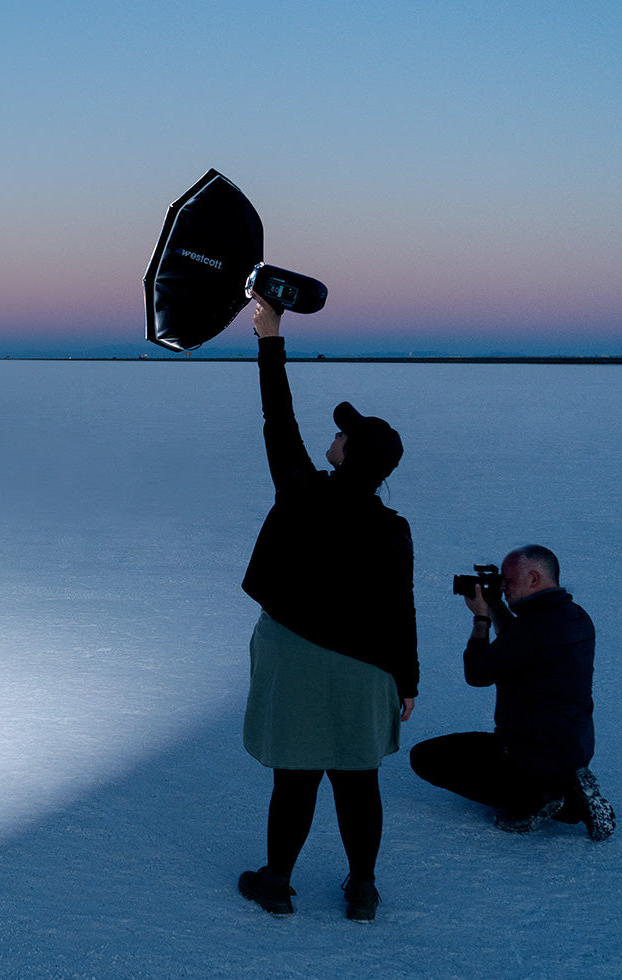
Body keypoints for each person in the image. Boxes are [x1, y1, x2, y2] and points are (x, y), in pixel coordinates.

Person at [234, 296, 418, 923]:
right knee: (358, 781)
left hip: (298, 655)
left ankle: (277, 884)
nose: (332, 435)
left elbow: (276, 415)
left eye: (342, 434)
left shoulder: (302, 491)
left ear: (351, 455)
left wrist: (270, 338)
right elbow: (401, 607)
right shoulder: (393, 528)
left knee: (296, 777)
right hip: (368, 668)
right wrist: (407, 679)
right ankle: (362, 889)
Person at [409, 545, 615, 840]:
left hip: (528, 755)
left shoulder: (529, 631)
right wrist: (495, 605)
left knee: (426, 758)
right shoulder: (576, 616)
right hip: (574, 748)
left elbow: (477, 674)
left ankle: (547, 802)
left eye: (508, 579)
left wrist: (480, 619)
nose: (502, 586)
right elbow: (519, 644)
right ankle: (569, 785)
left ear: (533, 578)